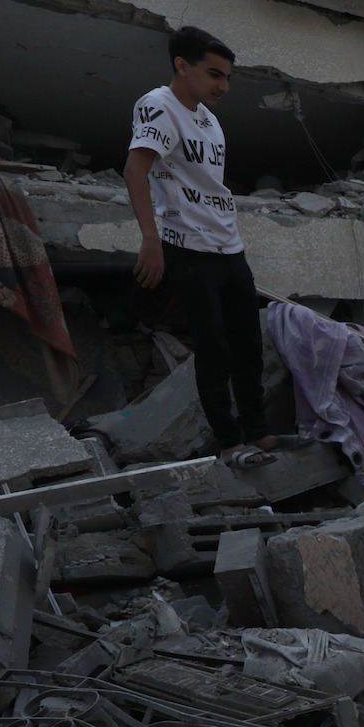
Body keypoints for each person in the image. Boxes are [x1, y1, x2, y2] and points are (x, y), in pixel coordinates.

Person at [126, 27, 275, 465]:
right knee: (214, 348)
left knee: (248, 344)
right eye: (214, 75)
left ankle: (259, 432)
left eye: (227, 77)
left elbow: (207, 183)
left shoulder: (209, 119)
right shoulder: (157, 106)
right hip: (187, 248)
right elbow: (136, 172)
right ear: (182, 66)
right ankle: (231, 445)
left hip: (229, 246)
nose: (223, 86)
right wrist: (151, 239)